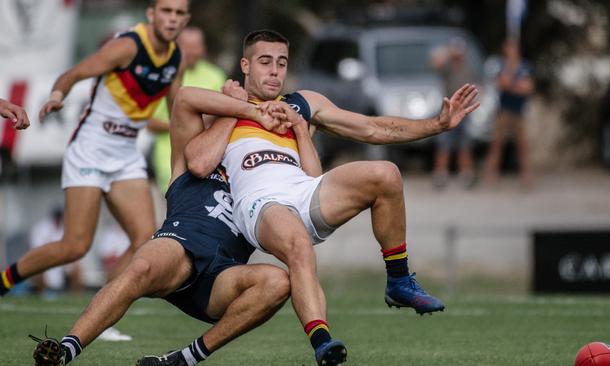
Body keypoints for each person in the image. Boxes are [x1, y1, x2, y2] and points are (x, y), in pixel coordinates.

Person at [177, 29, 480, 365]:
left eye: (281, 62)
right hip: (259, 203)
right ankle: (322, 340)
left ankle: (398, 280)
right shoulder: (227, 104)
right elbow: (200, 162)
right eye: (265, 62)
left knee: (386, 175)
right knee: (297, 245)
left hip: (303, 191)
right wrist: (234, 107)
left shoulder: (302, 104)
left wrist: (436, 124)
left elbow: (372, 128)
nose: (275, 70)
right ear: (245, 65)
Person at [30, 87, 293, 366]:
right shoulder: (193, 151)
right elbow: (184, 98)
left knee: (277, 282)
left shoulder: (265, 173)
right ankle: (65, 351)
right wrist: (239, 107)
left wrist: (298, 126)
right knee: (140, 267)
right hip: (180, 245)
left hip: (222, 276)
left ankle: (183, 359)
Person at [0, 0, 190, 297]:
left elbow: (178, 111)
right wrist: (56, 95)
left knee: (144, 239)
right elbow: (74, 73)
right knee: (75, 246)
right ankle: (5, 280)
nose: (172, 19)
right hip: (91, 147)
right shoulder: (128, 46)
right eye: (166, 11)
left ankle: (102, 310)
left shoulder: (177, 58)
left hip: (126, 153)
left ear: (186, 19)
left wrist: (187, 152)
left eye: (179, 13)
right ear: (151, 14)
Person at [148, 26, 227, 193]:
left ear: (203, 49)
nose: (191, 52)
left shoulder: (216, 75)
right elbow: (149, 121)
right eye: (186, 46)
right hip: (169, 158)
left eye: (195, 46)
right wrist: (186, 125)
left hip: (207, 156)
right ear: (176, 47)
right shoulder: (164, 75)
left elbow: (223, 113)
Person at [483, 37, 535, 188]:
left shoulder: (525, 66)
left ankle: (526, 177)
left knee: (523, 146)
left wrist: (511, 85)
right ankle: (491, 175)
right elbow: (501, 84)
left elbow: (527, 88)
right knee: (497, 144)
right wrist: (515, 84)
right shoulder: (500, 65)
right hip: (503, 111)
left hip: (519, 112)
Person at [430, 38, 480, 189]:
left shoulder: (469, 67)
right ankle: (440, 174)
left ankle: (466, 174)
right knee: (444, 144)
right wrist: (447, 53)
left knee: (465, 144)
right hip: (448, 110)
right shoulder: (447, 66)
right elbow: (435, 63)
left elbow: (477, 86)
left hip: (464, 112)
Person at [29, 207, 83, 296]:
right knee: (39, 269)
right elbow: (37, 250)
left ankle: (76, 296)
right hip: (45, 260)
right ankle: (41, 294)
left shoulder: (65, 228)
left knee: (77, 268)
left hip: (61, 261)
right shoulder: (41, 228)